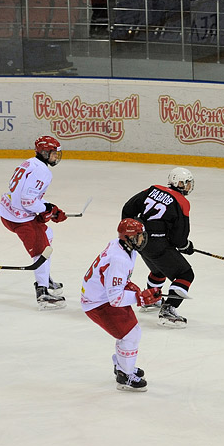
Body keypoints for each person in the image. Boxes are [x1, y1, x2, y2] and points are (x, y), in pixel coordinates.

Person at [81, 218, 161, 392]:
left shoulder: (120, 245)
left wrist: (129, 287)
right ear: (130, 238)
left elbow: (110, 279)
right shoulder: (120, 259)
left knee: (131, 333)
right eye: (139, 236)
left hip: (100, 295)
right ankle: (125, 375)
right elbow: (115, 299)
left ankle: (122, 365)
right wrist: (139, 298)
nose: (143, 239)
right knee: (130, 335)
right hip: (98, 303)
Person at [0, 135, 68, 310]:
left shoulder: (29, 163)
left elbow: (24, 195)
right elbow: (28, 200)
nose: (56, 157)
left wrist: (47, 209)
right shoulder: (43, 171)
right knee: (42, 251)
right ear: (44, 153)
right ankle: (43, 293)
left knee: (48, 234)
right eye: (53, 154)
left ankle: (45, 277)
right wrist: (49, 209)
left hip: (8, 211)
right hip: (20, 218)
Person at [121, 167, 195, 328]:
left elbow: (128, 207)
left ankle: (152, 299)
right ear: (179, 183)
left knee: (159, 270)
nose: (189, 187)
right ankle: (168, 310)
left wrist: (132, 233)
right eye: (187, 183)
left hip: (140, 241)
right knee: (185, 274)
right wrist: (185, 246)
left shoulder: (153, 189)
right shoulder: (182, 202)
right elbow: (179, 237)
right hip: (158, 244)